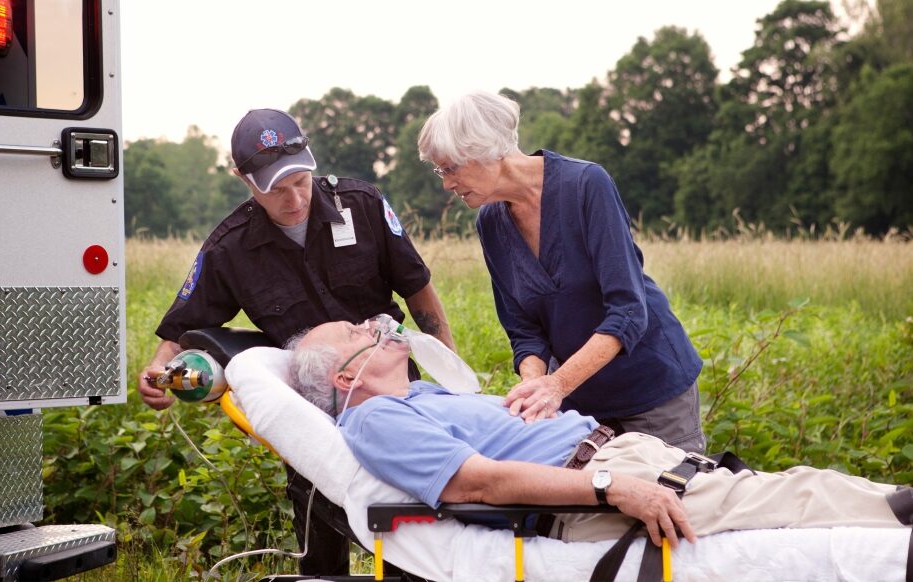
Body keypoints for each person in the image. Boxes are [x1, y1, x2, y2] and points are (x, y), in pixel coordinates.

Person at [137, 108, 455, 576]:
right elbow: (181, 325)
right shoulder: (231, 248)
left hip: (389, 387)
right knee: (317, 508)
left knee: (414, 503)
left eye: (300, 181)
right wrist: (156, 370)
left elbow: (417, 288)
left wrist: (448, 367)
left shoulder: (362, 205)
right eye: (276, 189)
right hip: (312, 403)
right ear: (243, 179)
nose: (294, 199)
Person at [287, 319, 913, 548]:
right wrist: (613, 487)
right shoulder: (373, 420)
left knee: (787, 490)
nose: (376, 325)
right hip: (602, 483)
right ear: (346, 377)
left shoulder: (419, 395)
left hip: (620, 454)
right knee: (800, 496)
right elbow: (481, 482)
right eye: (355, 332)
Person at [417, 91, 706, 453]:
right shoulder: (490, 222)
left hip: (651, 389)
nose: (446, 183)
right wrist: (534, 390)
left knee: (674, 497)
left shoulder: (586, 184)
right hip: (578, 407)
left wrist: (556, 386)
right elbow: (524, 331)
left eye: (450, 168)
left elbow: (628, 311)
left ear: (484, 150)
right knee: (592, 504)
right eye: (439, 170)